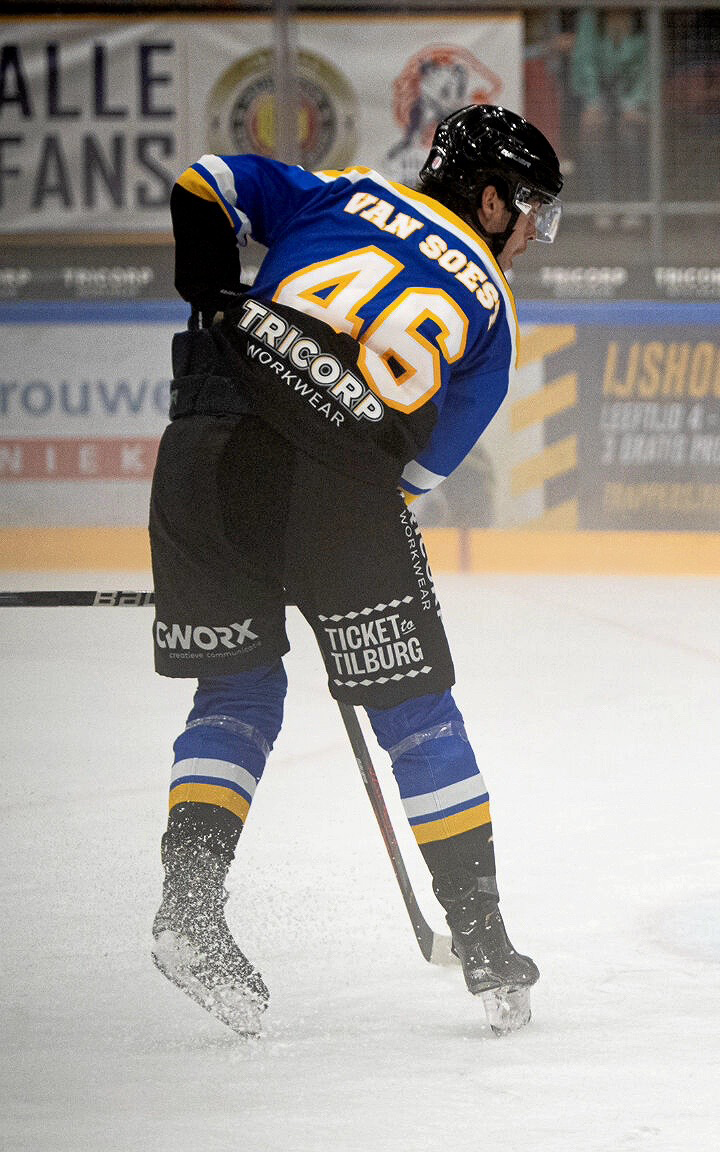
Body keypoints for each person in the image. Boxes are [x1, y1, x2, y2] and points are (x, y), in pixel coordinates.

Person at [148, 104, 564, 1036]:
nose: (537, 231)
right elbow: (410, 480)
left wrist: (215, 293)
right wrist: (329, 556)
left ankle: (190, 906)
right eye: (534, 208)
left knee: (235, 695)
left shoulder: (338, 192)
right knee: (417, 716)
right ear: (490, 201)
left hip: (202, 449)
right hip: (337, 493)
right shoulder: (492, 318)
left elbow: (202, 181)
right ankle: (487, 944)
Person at [570, 8, 652, 229]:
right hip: (597, 96)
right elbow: (584, 61)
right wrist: (593, 103)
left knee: (631, 132)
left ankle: (634, 203)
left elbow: (649, 69)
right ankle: (602, 202)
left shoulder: (647, 20)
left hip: (638, 100)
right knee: (593, 130)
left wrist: (633, 105)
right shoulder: (590, 18)